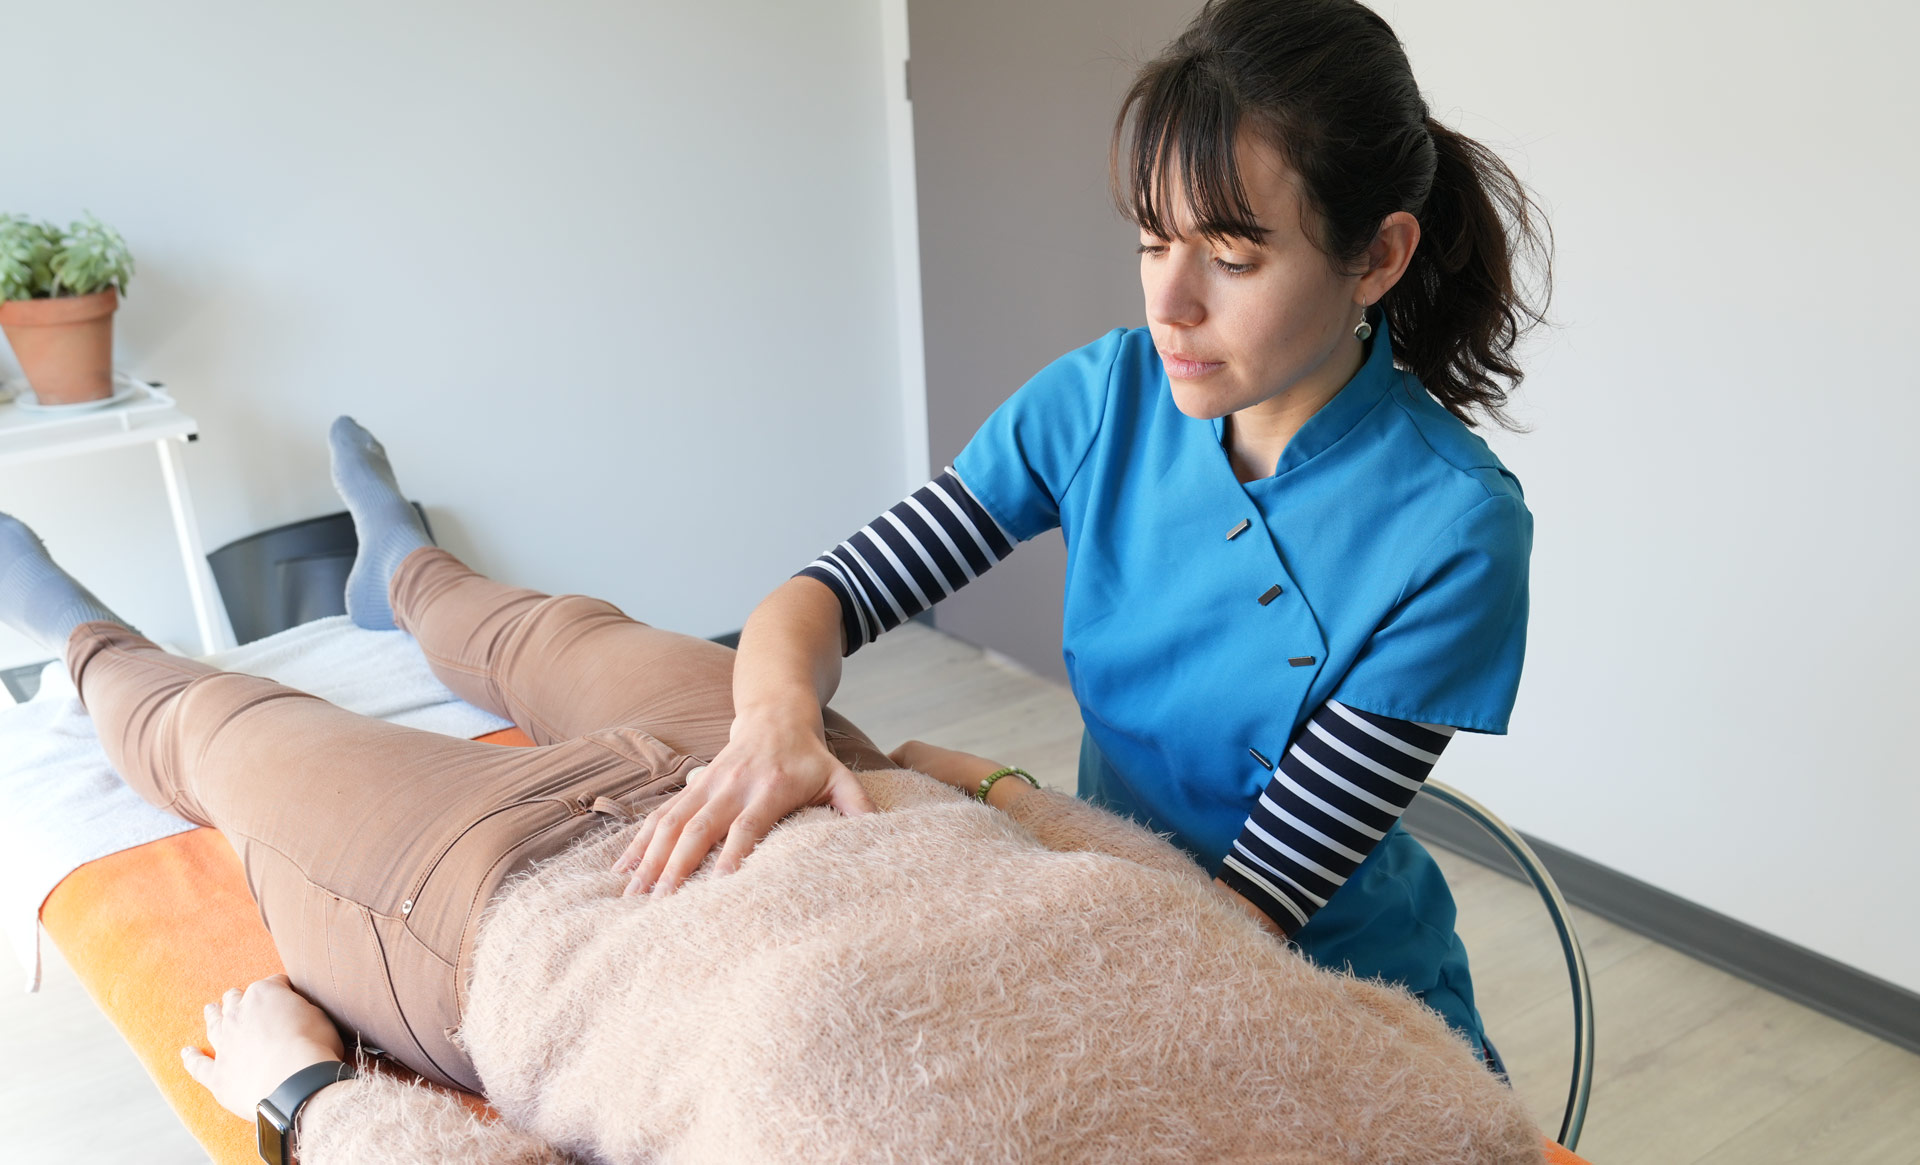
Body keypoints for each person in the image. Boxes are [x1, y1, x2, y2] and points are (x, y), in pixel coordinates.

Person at [0, 420, 1545, 1164]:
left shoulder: (1456, 533)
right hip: (828, 793)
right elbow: (1206, 929)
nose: (1177, 300)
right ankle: (404, 569)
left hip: (529, 908)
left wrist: (308, 1100)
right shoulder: (1436, 1128)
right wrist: (999, 788)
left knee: (220, 733)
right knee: (567, 637)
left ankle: (76, 638)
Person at [626, 0, 1549, 1062]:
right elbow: (826, 597)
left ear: (1379, 257)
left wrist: (990, 788)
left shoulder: (1456, 532)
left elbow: (1244, 917)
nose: (1172, 301)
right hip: (1105, 905)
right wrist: (775, 721)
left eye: (1232, 259)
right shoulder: (1106, 397)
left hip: (1325, 993)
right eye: (1154, 241)